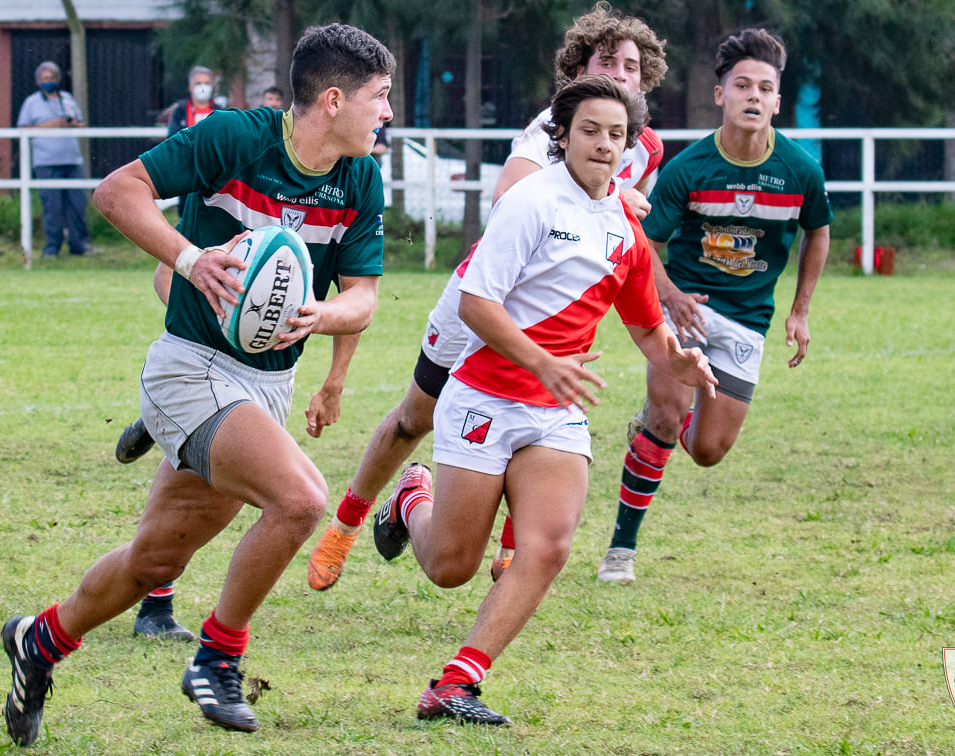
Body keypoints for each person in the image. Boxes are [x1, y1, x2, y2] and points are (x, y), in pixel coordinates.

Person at [0, 23, 393, 746]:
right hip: (190, 369)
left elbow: (364, 295)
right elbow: (117, 193)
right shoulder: (235, 139)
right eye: (380, 97)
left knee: (156, 560)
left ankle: (40, 640)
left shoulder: (361, 177)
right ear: (334, 100)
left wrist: (323, 312)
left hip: (266, 386)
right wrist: (190, 261)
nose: (388, 112)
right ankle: (218, 657)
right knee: (301, 499)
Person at [372, 75, 716, 726]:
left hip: (554, 410)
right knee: (450, 567)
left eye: (617, 135)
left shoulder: (624, 229)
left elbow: (645, 324)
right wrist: (543, 361)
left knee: (549, 545)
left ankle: (455, 684)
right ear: (562, 135)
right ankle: (412, 496)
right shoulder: (530, 202)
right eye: (590, 130)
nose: (604, 145)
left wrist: (677, 359)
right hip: (482, 397)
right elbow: (476, 302)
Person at [305, 0, 668, 591]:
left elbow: (619, 240)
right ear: (579, 71)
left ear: (645, 77)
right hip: (482, 297)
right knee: (413, 419)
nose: (621, 73)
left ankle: (508, 542)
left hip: (560, 311)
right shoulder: (552, 128)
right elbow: (511, 190)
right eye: (607, 61)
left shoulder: (644, 146)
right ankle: (349, 523)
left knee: (538, 409)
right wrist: (596, 197)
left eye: (631, 65)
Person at [597, 28, 832, 585]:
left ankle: (663, 425)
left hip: (748, 321)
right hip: (684, 312)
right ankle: (620, 553)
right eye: (742, 84)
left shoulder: (801, 171)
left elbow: (817, 232)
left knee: (707, 451)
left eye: (766, 88)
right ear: (720, 93)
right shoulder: (690, 168)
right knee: (665, 416)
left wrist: (798, 311)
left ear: (778, 99)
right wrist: (671, 297)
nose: (754, 96)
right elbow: (644, 242)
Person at [15, 61, 89, 258]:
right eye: (44, 79)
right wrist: (51, 125)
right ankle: (52, 247)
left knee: (77, 205)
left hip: (72, 161)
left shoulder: (67, 99)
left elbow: (81, 123)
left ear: (58, 79)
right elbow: (22, 130)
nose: (48, 82)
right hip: (46, 162)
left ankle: (78, 245)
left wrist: (71, 124)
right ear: (38, 81)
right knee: (52, 207)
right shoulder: (31, 103)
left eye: (51, 78)